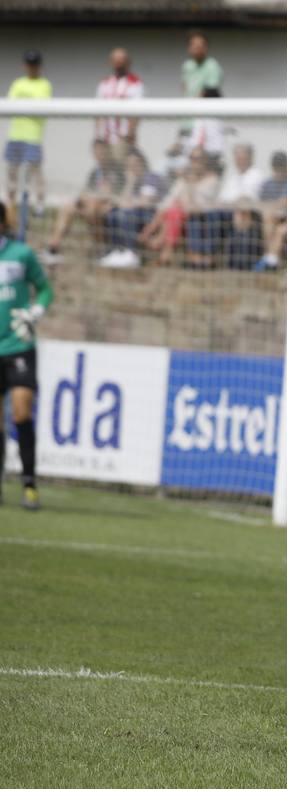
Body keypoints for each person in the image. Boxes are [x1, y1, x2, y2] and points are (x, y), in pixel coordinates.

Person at [0, 202, 54, 510]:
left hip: (19, 346)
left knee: (21, 412)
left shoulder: (21, 255)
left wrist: (35, 311)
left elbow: (45, 290)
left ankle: (29, 483)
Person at [5, 51, 51, 212]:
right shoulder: (18, 83)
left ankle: (40, 206)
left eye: (35, 64)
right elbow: (11, 105)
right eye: (29, 64)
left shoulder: (44, 84)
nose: (32, 68)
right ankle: (10, 205)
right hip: (15, 135)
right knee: (12, 173)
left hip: (33, 137)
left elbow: (39, 107)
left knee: (36, 174)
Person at [95, 47, 144, 155]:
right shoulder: (104, 83)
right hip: (105, 139)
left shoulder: (135, 83)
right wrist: (98, 136)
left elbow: (136, 113)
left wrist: (130, 135)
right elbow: (97, 112)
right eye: (115, 60)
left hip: (123, 138)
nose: (118, 63)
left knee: (121, 169)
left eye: (122, 60)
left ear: (128, 62)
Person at [181, 31, 222, 100]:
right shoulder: (187, 65)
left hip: (206, 107)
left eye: (200, 45)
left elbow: (211, 90)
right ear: (189, 48)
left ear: (206, 47)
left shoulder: (212, 65)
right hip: (189, 106)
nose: (198, 48)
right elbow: (185, 87)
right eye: (194, 45)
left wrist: (197, 106)